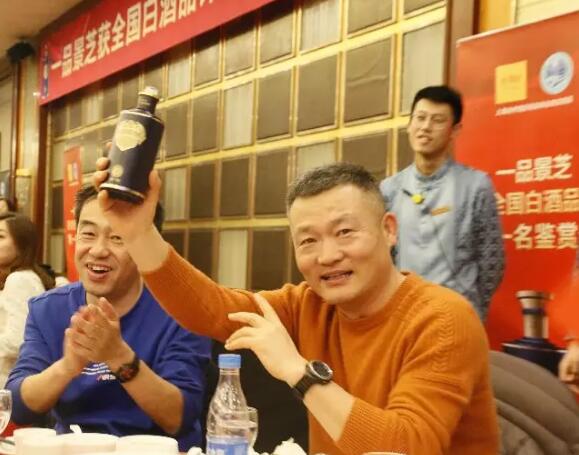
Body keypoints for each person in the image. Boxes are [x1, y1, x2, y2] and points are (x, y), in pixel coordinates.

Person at [93, 160, 499, 454]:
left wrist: (299, 373)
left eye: (345, 232)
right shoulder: (309, 303)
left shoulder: (443, 317)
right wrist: (138, 232)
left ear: (388, 230)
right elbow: (212, 309)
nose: (327, 255)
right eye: (308, 241)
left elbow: (405, 446)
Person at [6, 186, 211, 451]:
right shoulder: (48, 309)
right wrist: (67, 367)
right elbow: (17, 407)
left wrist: (118, 357)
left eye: (117, 237)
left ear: (146, 246)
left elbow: (179, 418)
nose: (98, 250)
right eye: (88, 234)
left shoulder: (182, 311)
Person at [380, 85, 505, 321]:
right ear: (409, 124)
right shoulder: (389, 189)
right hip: (404, 316)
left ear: (454, 130)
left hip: (458, 316)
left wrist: (471, 306)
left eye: (437, 120)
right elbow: (384, 257)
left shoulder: (475, 186)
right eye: (420, 118)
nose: (426, 127)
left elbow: (492, 261)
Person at [0, 212, 55, 387]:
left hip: (11, 383)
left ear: (21, 245)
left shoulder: (19, 280)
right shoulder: (23, 277)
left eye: (1, 237)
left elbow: (18, 340)